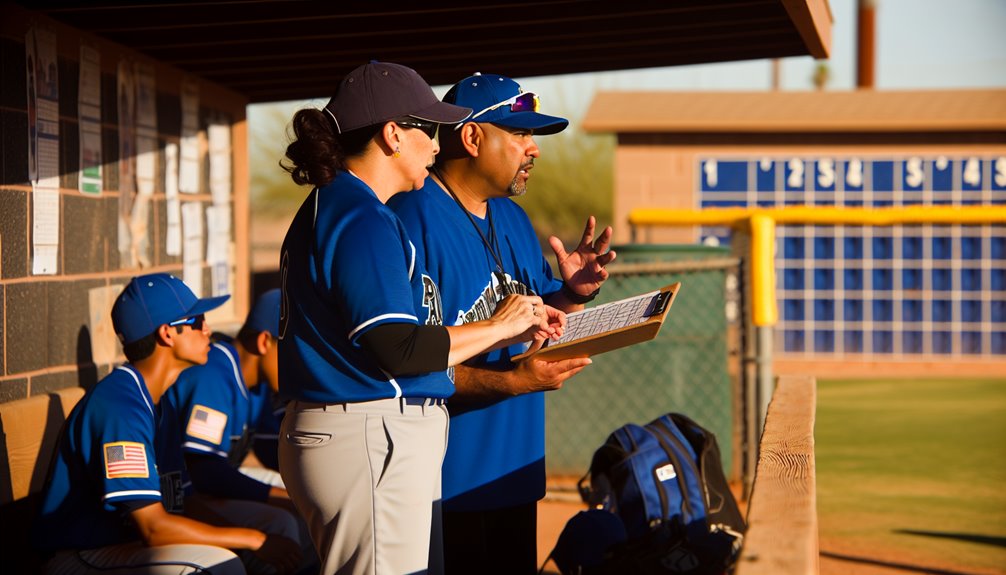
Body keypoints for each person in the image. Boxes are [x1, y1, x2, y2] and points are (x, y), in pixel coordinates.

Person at [276, 61, 565, 575]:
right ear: (392, 135)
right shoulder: (361, 215)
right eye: (427, 130)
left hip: (352, 427)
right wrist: (499, 327)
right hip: (362, 428)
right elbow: (398, 348)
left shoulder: (345, 204)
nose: (436, 145)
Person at [387, 72, 617, 574]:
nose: (534, 148)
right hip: (444, 479)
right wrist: (512, 381)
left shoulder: (511, 217)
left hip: (514, 466)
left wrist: (573, 294)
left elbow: (543, 318)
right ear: (472, 137)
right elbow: (403, 364)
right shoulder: (407, 218)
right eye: (520, 134)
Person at [33, 273, 302, 575]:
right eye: (197, 321)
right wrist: (253, 540)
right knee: (217, 566)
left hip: (125, 545)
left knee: (249, 546)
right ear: (167, 334)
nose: (208, 330)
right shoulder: (121, 407)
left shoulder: (162, 403)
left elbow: (186, 502)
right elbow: (153, 528)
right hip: (82, 555)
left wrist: (248, 538)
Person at [163, 288, 317, 573]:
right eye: (295, 352)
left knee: (302, 496)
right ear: (264, 342)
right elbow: (205, 471)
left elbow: (271, 449)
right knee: (282, 520)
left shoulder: (259, 382)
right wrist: (282, 498)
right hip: (185, 497)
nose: (303, 364)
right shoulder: (214, 373)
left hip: (210, 486)